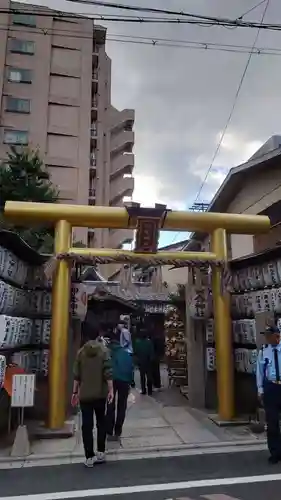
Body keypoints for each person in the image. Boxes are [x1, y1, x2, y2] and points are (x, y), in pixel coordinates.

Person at [71, 328, 114, 468]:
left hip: (85, 395)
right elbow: (108, 372)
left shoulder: (80, 353)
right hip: (100, 394)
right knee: (101, 423)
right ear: (98, 336)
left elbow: (76, 376)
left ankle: (89, 456)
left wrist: (74, 393)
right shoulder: (103, 351)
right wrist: (111, 390)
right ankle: (101, 452)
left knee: (87, 426)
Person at [256, 324, 281, 464]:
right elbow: (259, 372)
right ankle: (275, 452)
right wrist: (260, 390)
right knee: (272, 423)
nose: (266, 338)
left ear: (276, 335)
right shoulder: (264, 351)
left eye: (268, 335)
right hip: (271, 387)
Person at [106, 337, 134, 441]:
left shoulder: (108, 353)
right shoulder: (126, 353)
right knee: (122, 406)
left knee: (110, 405)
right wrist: (131, 382)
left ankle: (109, 430)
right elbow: (131, 368)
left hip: (112, 381)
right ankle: (118, 431)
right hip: (124, 381)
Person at [134, 330, 154, 395]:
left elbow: (135, 352)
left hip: (141, 362)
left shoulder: (138, 343)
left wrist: (136, 361)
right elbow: (152, 352)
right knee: (149, 376)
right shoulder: (149, 342)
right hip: (148, 361)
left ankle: (143, 390)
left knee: (142, 377)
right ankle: (150, 390)